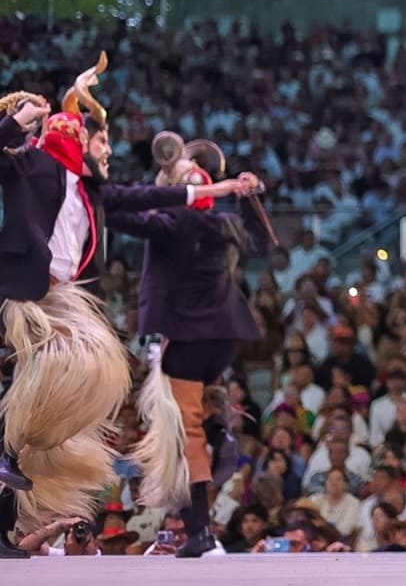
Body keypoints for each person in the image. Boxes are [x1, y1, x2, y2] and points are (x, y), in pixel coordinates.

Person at [0, 68, 257, 558]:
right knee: (81, 371)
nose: (110, 153)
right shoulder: (36, 168)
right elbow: (141, 198)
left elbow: (142, 200)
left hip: (79, 303)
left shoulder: (96, 193)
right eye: (103, 143)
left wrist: (213, 190)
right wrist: (24, 120)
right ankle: (9, 448)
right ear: (76, 138)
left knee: (93, 385)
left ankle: (11, 474)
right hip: (34, 296)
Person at [118, 132, 272, 558]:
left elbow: (117, 210)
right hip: (223, 336)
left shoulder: (169, 223)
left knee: (183, 434)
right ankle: (221, 433)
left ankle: (202, 534)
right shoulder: (220, 224)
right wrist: (246, 195)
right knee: (204, 413)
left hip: (184, 337)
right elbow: (263, 242)